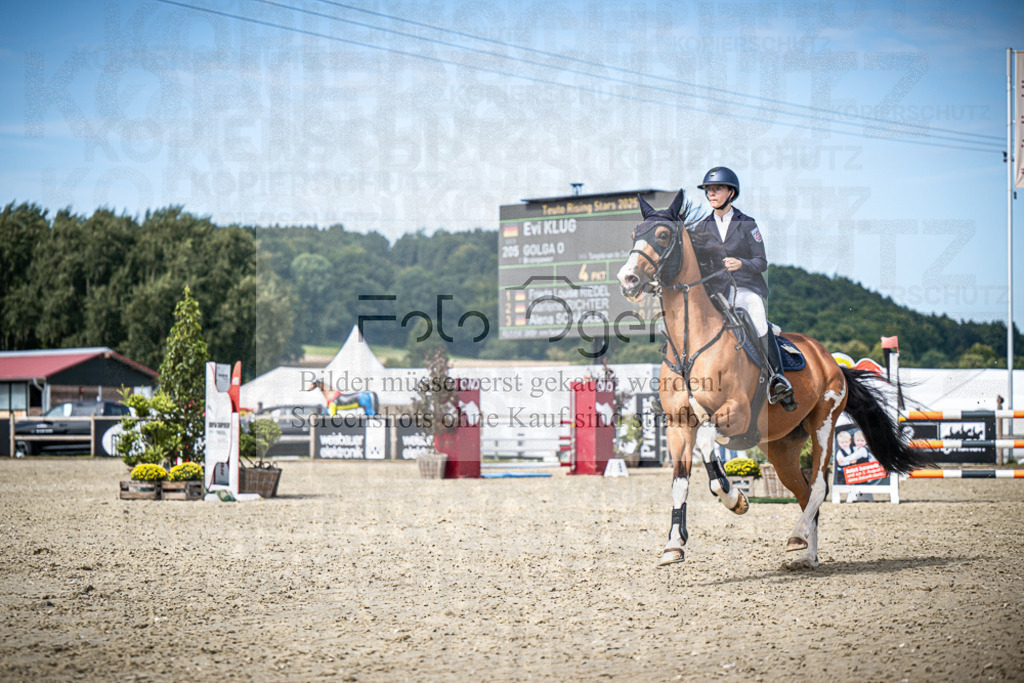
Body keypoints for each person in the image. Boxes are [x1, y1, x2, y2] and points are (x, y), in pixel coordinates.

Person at [694, 167, 796, 409]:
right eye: (708, 190)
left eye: (716, 189)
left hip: (745, 288)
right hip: (717, 292)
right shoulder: (701, 227)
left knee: (758, 317)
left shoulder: (746, 223)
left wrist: (741, 263)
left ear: (731, 192)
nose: (711, 193)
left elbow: (761, 262)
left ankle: (776, 377)